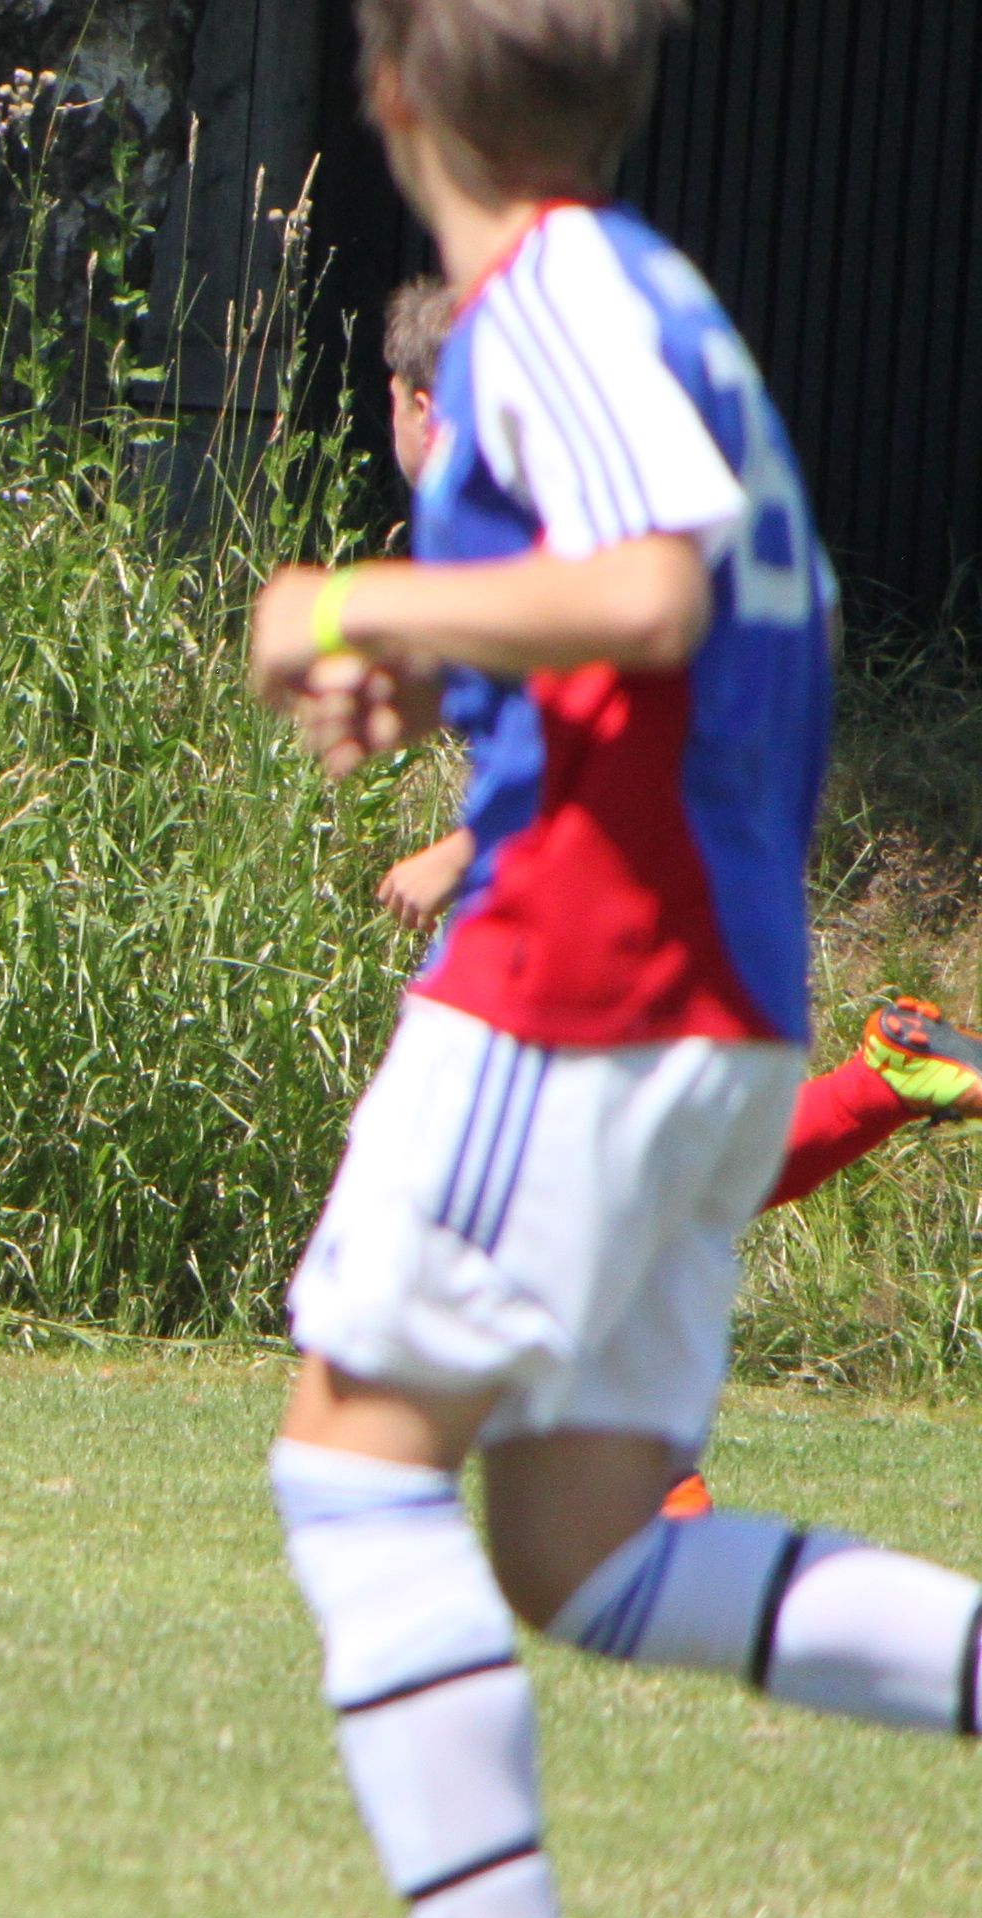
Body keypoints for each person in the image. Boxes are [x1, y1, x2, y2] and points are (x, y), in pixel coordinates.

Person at [238, 0, 982, 1918]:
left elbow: (648, 593)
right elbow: (669, 621)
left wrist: (353, 601)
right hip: (716, 988)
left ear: (392, 91)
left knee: (349, 1456)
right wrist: (447, 665)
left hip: (574, 978)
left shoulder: (542, 293)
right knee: (586, 1553)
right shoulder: (656, 299)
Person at [362, 272, 982, 1517]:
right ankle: (885, 1076)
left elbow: (589, 728)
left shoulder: (517, 525)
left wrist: (463, 853)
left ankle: (655, 1492)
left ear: (416, 401)